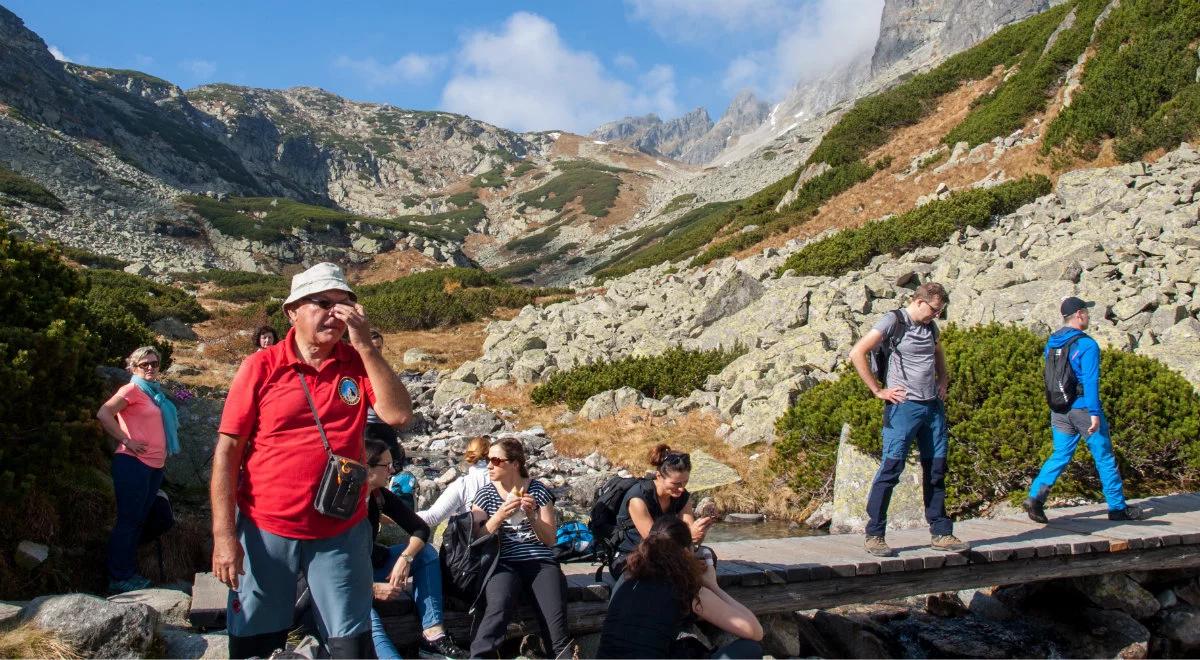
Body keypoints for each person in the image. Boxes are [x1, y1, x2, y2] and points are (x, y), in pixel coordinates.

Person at [211, 262, 414, 659]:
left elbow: (398, 415)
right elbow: (227, 452)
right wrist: (223, 537)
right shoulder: (262, 366)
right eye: (323, 303)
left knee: (350, 644)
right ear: (292, 311)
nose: (335, 314)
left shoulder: (357, 362)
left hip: (340, 529)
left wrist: (367, 346)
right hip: (266, 528)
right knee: (256, 640)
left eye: (345, 305)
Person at [847, 282, 969, 557]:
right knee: (891, 469)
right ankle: (875, 534)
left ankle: (941, 531)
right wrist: (878, 390)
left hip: (932, 408)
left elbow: (937, 352)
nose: (936, 315)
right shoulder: (894, 320)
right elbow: (857, 352)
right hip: (903, 407)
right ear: (919, 301)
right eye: (934, 309)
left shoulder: (930, 327)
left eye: (940, 311)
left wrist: (944, 378)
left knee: (937, 469)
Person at [1024, 297, 1146, 523]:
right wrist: (1095, 413)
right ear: (1079, 314)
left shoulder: (1052, 341)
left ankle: (1035, 498)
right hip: (1083, 409)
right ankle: (1118, 509)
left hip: (1059, 409)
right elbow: (1091, 382)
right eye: (1087, 313)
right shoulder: (1087, 345)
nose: (1089, 317)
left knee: (1060, 454)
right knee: (1104, 457)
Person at [597, 516, 763, 659]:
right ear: (686, 552)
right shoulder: (685, 589)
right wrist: (713, 586)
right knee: (750, 649)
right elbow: (754, 631)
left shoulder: (627, 578)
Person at [364, 439, 466, 659]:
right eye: (386, 465)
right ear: (367, 466)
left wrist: (405, 559)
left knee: (426, 553)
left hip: (372, 564)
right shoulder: (342, 501)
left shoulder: (379, 495)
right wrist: (371, 588)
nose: (392, 470)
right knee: (372, 630)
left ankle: (433, 634)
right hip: (347, 582)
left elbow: (420, 528)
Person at [469, 438, 572, 658]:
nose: (489, 465)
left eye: (496, 461)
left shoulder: (538, 490)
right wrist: (499, 516)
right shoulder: (486, 494)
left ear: (515, 464)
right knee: (497, 608)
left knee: (556, 624)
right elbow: (476, 537)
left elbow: (550, 540)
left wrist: (532, 515)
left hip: (539, 561)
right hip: (503, 562)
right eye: (488, 460)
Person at [96, 346, 180, 593]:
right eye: (145, 364)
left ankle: (125, 566)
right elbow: (104, 413)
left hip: (155, 466)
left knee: (143, 519)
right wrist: (127, 440)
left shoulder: (155, 394)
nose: (151, 367)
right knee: (130, 520)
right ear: (133, 368)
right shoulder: (131, 389)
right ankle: (119, 577)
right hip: (132, 464)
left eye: (155, 363)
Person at [610, 444, 715, 579]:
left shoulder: (682, 496)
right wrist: (688, 556)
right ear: (659, 476)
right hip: (631, 556)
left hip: (667, 554)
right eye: (676, 483)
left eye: (685, 482)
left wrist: (698, 536)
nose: (681, 488)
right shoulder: (638, 498)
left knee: (708, 559)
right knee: (673, 570)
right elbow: (653, 544)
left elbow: (689, 539)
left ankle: (697, 595)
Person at [417, 436, 491, 527]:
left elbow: (432, 518)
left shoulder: (464, 484)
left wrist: (399, 515)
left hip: (473, 538)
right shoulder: (507, 478)